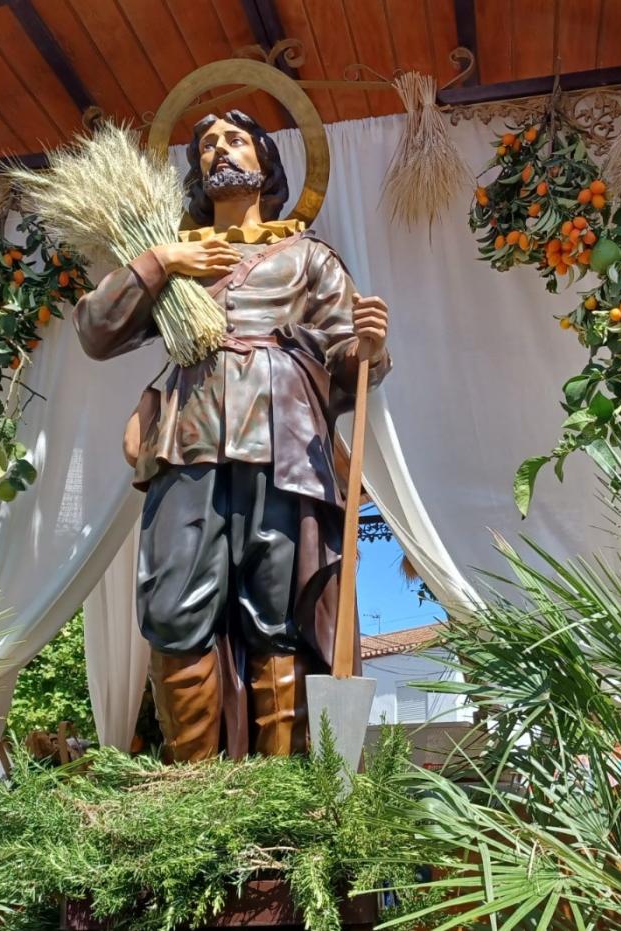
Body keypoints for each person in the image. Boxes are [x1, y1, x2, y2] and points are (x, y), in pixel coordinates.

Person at [74, 110, 391, 762]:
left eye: (235, 138)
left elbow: (348, 363)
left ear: (266, 162)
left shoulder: (307, 257)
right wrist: (161, 259)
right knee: (175, 607)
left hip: (284, 444)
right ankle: (192, 792)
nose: (219, 148)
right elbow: (96, 331)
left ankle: (278, 801)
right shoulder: (178, 258)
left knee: (279, 614)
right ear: (196, 170)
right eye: (208, 142)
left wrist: (369, 345)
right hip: (189, 440)